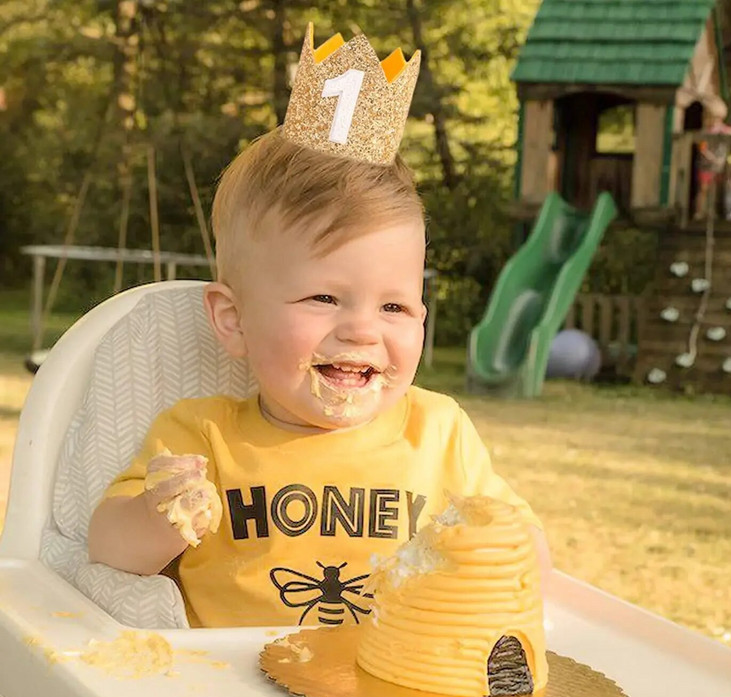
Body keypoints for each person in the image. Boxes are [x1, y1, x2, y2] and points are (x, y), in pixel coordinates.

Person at [87, 24, 551, 628]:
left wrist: (502, 555)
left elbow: (526, 553)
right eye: (324, 297)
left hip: (397, 684)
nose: (362, 331)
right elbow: (106, 548)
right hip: (235, 695)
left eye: (394, 307)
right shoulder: (204, 437)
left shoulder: (439, 434)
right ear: (233, 320)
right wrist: (159, 514)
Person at [693, 101, 731, 220]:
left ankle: (711, 211)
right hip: (706, 165)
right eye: (712, 118)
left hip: (718, 165)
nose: (715, 121)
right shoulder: (705, 131)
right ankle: (699, 211)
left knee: (714, 189)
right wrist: (711, 157)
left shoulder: (722, 129)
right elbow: (702, 147)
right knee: (703, 189)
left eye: (718, 118)